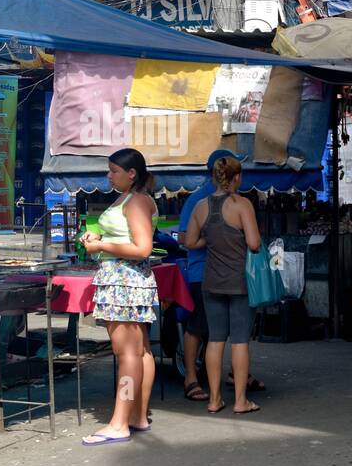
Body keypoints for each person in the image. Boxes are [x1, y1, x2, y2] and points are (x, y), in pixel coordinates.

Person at [79, 148, 159, 445]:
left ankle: (119, 422)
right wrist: (100, 239)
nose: (108, 176)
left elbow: (142, 248)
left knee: (127, 355)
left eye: (113, 171)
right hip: (127, 282)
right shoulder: (131, 198)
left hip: (124, 283)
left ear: (131, 173)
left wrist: (101, 247)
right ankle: (136, 416)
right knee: (140, 352)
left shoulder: (136, 201)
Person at [178, 149, 267, 402]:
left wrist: (212, 237)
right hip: (236, 279)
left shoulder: (199, 204)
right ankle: (239, 401)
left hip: (210, 280)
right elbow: (253, 243)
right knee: (238, 340)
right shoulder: (241, 204)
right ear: (236, 177)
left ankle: (215, 400)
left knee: (215, 338)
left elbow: (189, 241)